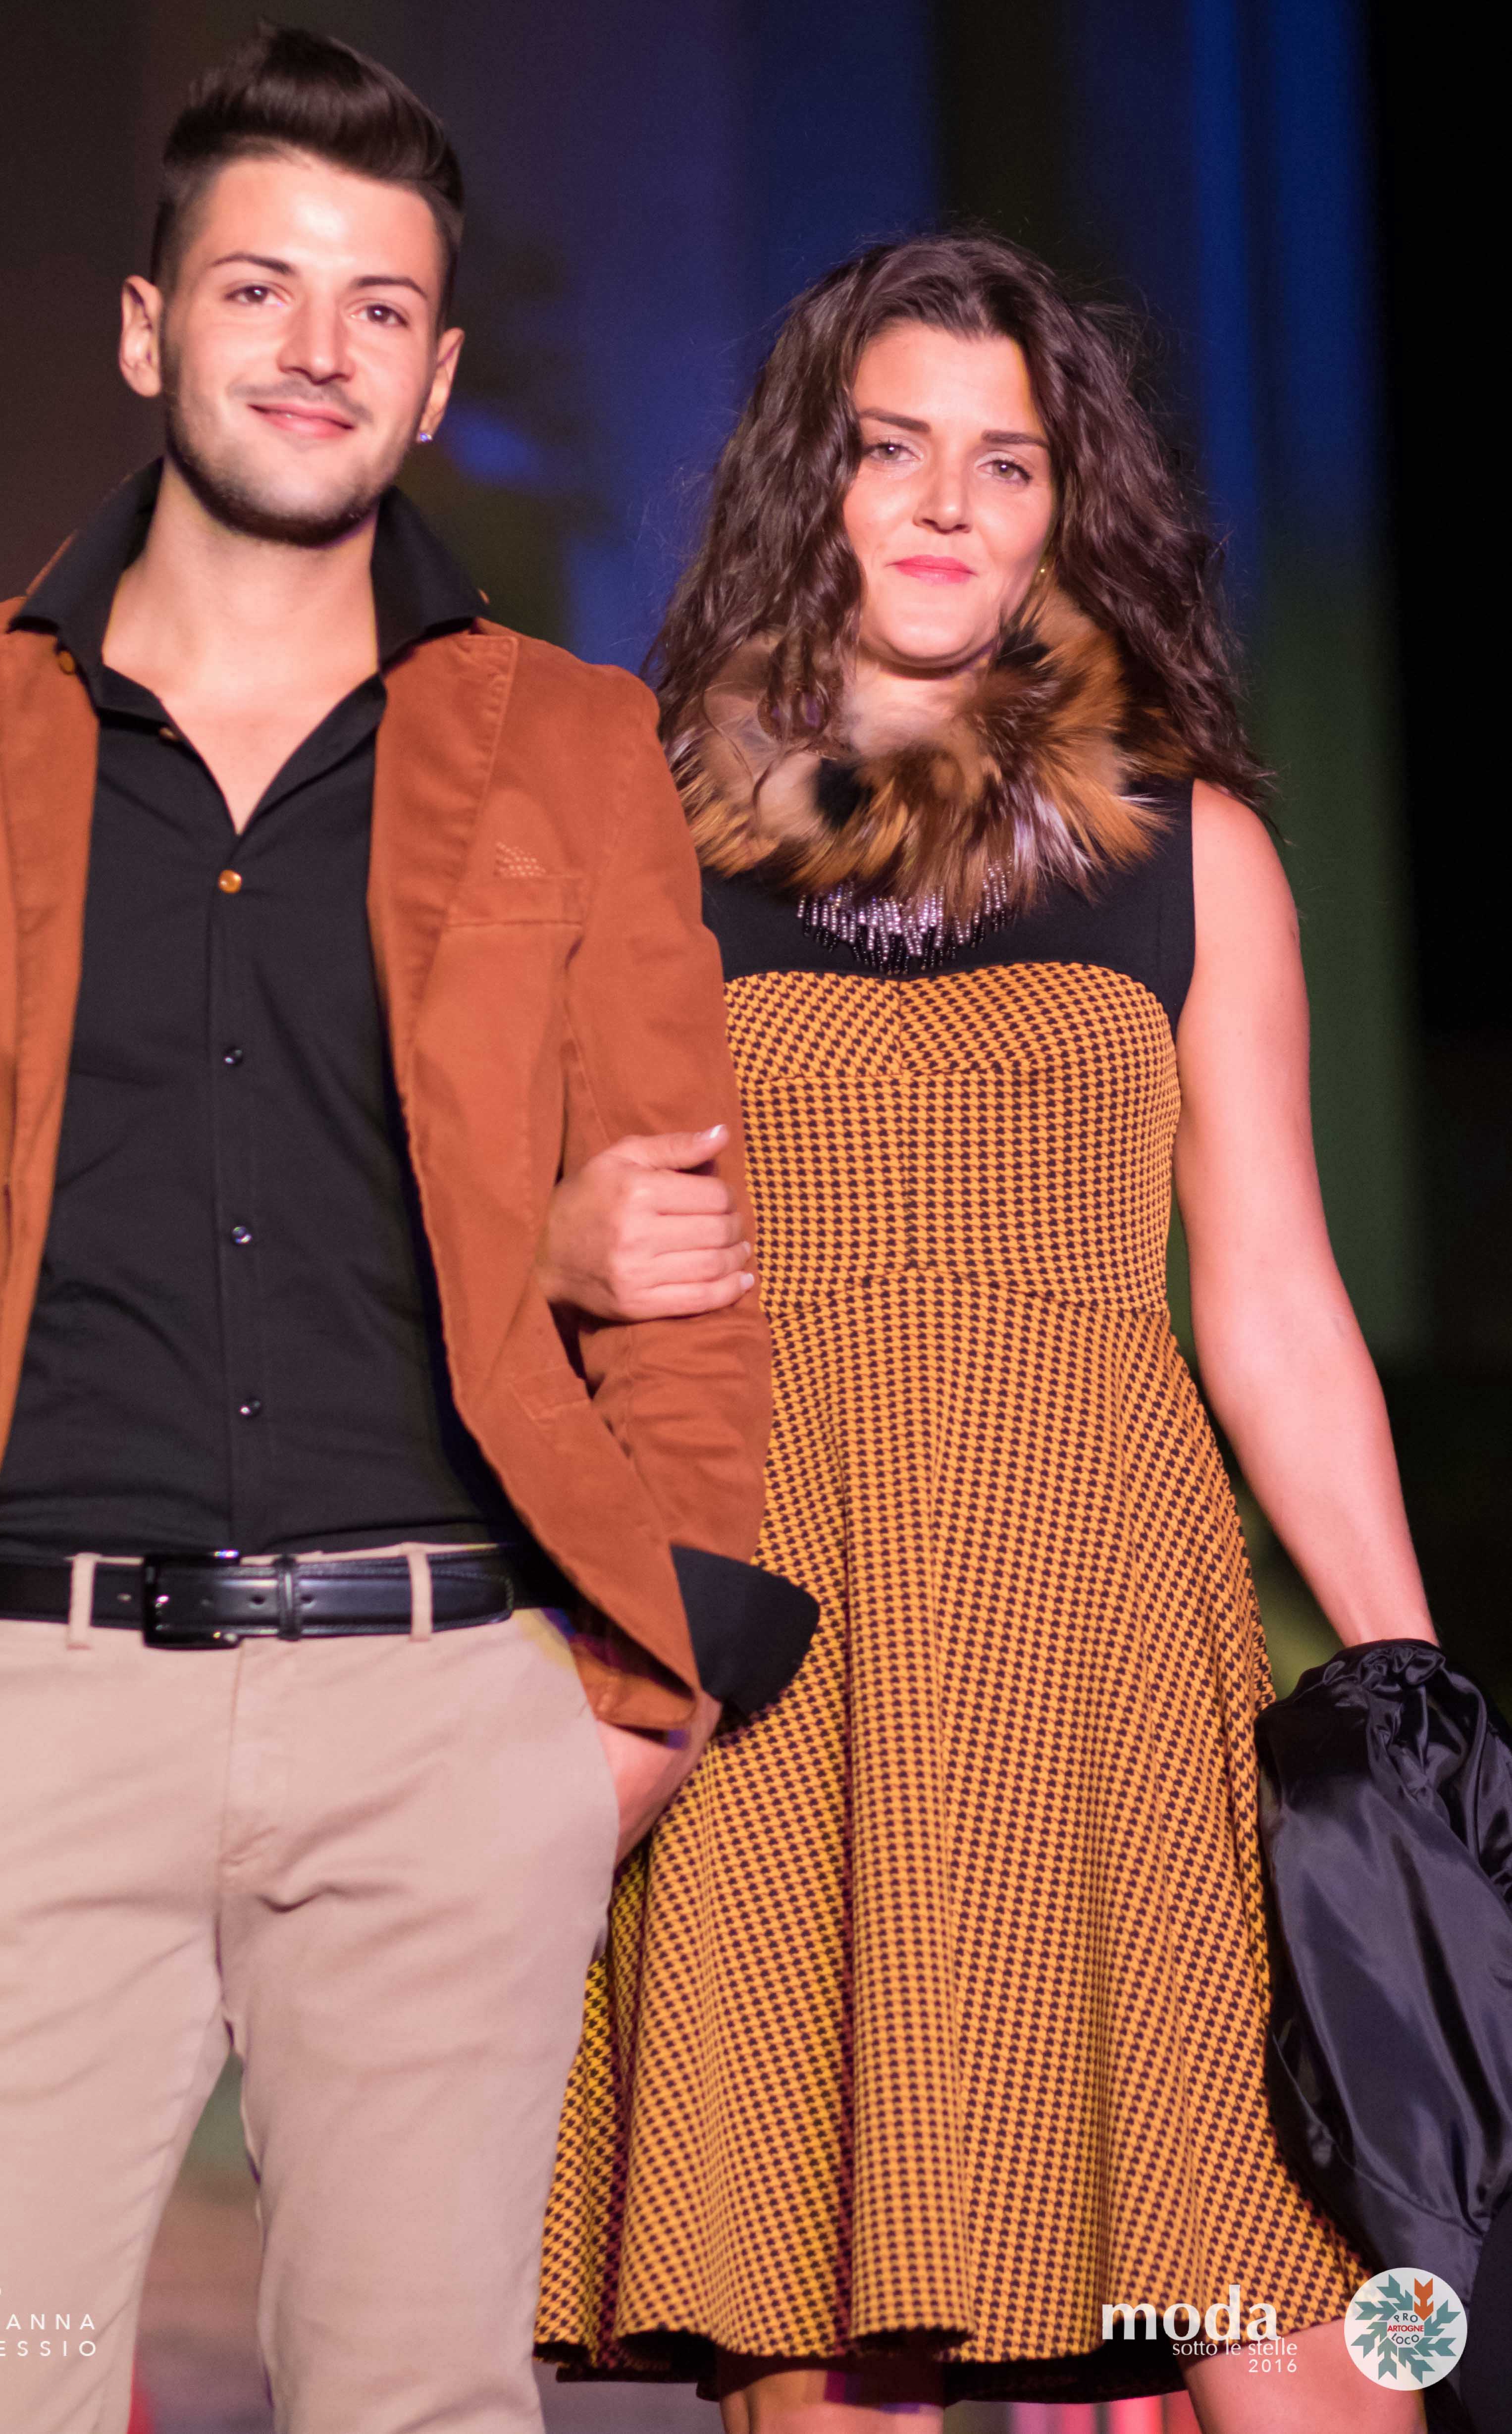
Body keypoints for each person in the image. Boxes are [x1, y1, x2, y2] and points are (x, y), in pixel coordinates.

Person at [0, 26, 813, 2434]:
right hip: (18, 1705)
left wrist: (646, 1702)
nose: (316, 345)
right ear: (145, 326)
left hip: (443, 1719)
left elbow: (687, 1252)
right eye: (258, 286)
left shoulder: (566, 744)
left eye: (378, 305)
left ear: (437, 375)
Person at [533, 234, 1437, 2432]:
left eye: (1004, 461)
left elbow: (1273, 1294)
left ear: (1061, 510)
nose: (946, 501)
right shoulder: (646, 836)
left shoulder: (1190, 850)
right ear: (812, 484)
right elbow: (477, 1234)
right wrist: (563, 1240)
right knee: (831, 2329)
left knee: (1300, 2306)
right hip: (784, 1661)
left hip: (1115, 1651)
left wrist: (1405, 1685)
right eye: (891, 447)